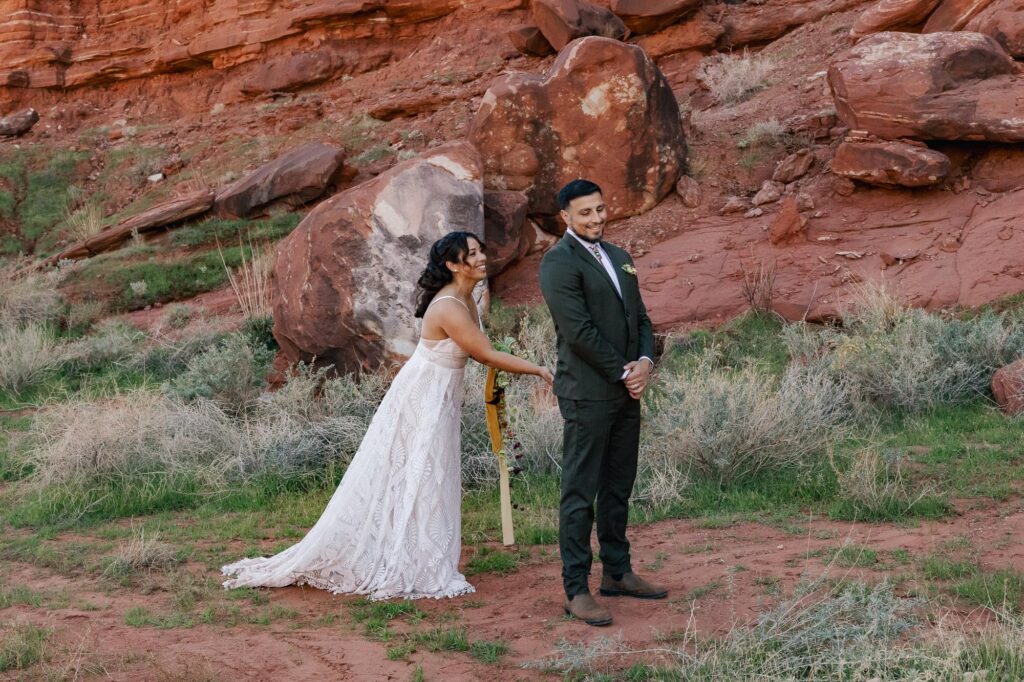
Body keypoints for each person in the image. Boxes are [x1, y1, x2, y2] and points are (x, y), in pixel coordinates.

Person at [222, 231, 553, 600]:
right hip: (421, 398)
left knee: (429, 472)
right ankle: (405, 558)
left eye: (480, 251)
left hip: (439, 397)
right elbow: (486, 353)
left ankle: (418, 551)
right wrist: (537, 369)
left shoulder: (467, 299)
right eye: (471, 254)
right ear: (453, 265)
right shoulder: (447, 307)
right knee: (418, 471)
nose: (481, 258)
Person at [539, 179, 666, 627]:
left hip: (627, 390)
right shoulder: (558, 263)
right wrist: (624, 371)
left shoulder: (619, 257)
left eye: (600, 209)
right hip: (588, 394)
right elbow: (578, 332)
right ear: (566, 218)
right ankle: (576, 589)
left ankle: (617, 572)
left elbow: (642, 318)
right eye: (586, 213)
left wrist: (647, 361)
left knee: (618, 485)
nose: (596, 218)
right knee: (580, 493)